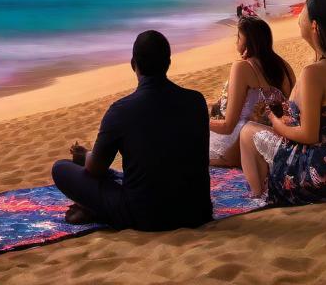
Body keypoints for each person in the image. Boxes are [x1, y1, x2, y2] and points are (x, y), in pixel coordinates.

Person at [51, 30, 212, 231]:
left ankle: (95, 209)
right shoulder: (195, 101)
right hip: (198, 211)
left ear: (133, 64)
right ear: (168, 63)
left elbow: (95, 170)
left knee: (61, 168)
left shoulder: (121, 110)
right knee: (118, 175)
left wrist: (85, 157)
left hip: (145, 216)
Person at [239, 0, 326, 202]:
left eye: (303, 14)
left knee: (247, 132)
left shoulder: (314, 72)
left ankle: (260, 197)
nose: (299, 18)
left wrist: (274, 121)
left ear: (314, 25)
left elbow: (309, 136)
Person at [209, 16, 295, 167]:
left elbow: (228, 126)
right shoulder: (285, 67)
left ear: (249, 43)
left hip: (240, 146)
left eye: (239, 37)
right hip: (275, 140)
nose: (236, 41)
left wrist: (197, 122)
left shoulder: (242, 67)